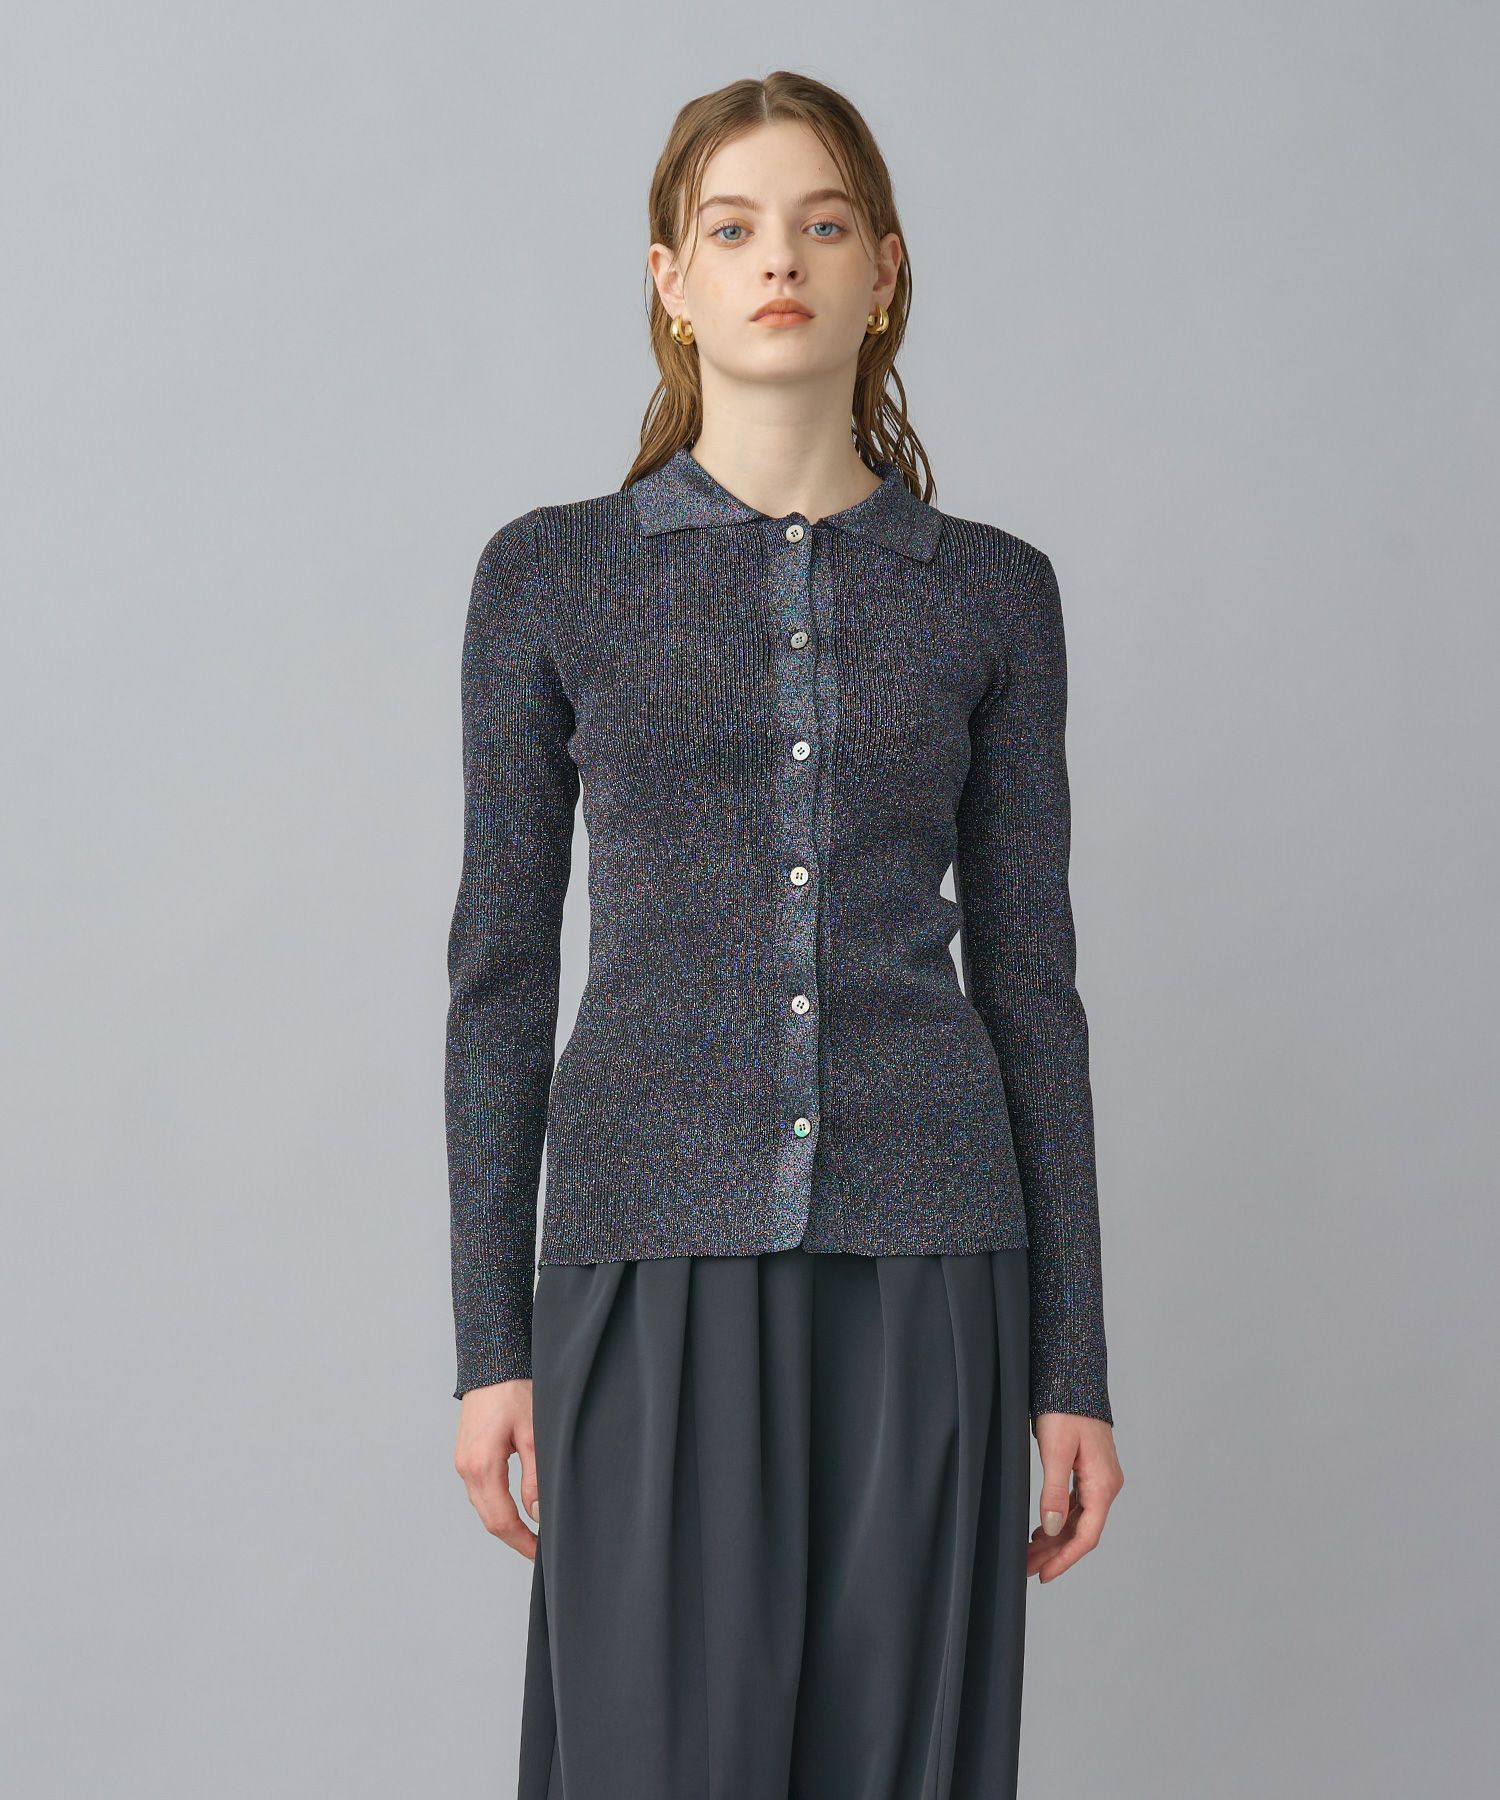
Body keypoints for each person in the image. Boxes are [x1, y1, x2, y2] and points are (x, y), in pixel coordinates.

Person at [446, 69, 1124, 1800]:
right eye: (735, 227)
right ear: (670, 277)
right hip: (642, 1253)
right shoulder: (551, 577)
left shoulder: (992, 591)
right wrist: (490, 1344)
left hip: (936, 1260)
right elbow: (499, 977)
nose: (781, 261)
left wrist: (1074, 1366)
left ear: (883, 271)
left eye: (824, 225)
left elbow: (1031, 982)